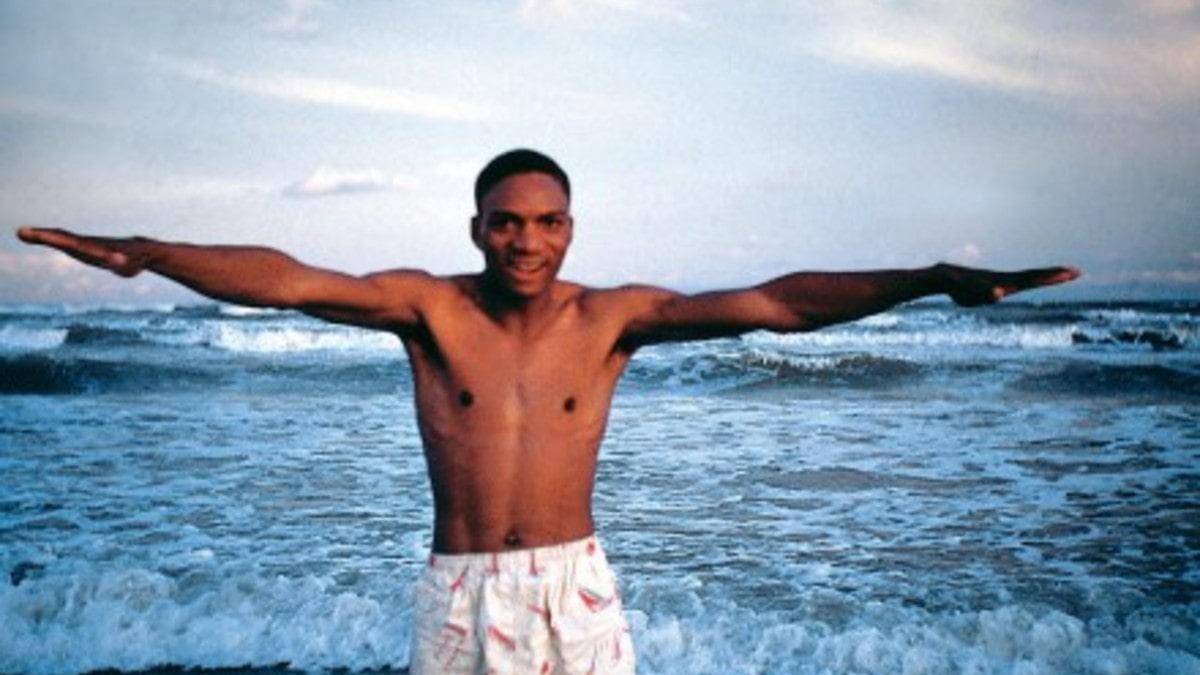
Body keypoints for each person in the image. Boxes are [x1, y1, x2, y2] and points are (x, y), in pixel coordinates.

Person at [15, 148, 1079, 674]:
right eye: (507, 222)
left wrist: (930, 278)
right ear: (477, 228)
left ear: (571, 228)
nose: (527, 240)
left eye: (548, 221)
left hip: (576, 590)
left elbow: (780, 303)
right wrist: (148, 254)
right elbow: (288, 280)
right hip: (461, 589)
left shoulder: (612, 319)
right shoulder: (428, 310)